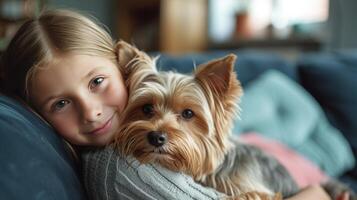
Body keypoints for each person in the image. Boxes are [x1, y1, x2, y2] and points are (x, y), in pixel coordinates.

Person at [0, 8, 337, 200]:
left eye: (97, 82)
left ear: (121, 73)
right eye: (60, 103)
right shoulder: (124, 168)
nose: (91, 111)